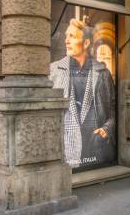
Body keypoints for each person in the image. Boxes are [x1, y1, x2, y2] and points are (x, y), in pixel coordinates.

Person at [49, 18, 116, 169]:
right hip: (66, 148)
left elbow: (114, 107)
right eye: (66, 36)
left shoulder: (103, 73)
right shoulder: (53, 71)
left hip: (95, 147)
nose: (66, 41)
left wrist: (107, 129)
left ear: (86, 43)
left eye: (72, 36)